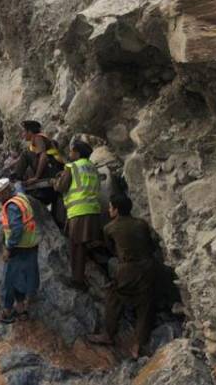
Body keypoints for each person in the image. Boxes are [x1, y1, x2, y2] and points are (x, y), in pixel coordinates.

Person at [88, 194, 156, 359]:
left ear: (116, 210)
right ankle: (138, 346)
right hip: (150, 267)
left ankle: (109, 334)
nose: (109, 209)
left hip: (128, 269)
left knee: (114, 297)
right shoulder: (142, 224)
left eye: (110, 207)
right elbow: (151, 245)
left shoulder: (110, 228)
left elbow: (112, 250)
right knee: (145, 306)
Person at [53, 140, 104, 290]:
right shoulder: (92, 168)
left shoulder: (72, 166)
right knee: (86, 244)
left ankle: (78, 281)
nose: (69, 154)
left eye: (71, 151)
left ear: (77, 153)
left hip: (79, 211)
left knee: (77, 246)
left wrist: (55, 182)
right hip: (93, 210)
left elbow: (62, 187)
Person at [0, 178, 40, 323]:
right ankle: (22, 308)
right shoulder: (21, 197)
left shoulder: (11, 206)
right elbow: (19, 185)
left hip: (18, 248)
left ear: (5, 192)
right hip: (31, 245)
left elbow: (16, 229)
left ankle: (7, 311)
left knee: (8, 280)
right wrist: (17, 181)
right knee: (24, 277)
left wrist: (8, 247)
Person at [11, 120, 65, 225]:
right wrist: (11, 165)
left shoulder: (37, 138)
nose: (22, 135)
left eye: (24, 132)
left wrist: (36, 177)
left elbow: (43, 156)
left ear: (30, 132)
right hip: (55, 170)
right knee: (26, 153)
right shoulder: (42, 139)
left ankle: (16, 177)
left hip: (50, 171)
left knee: (26, 153)